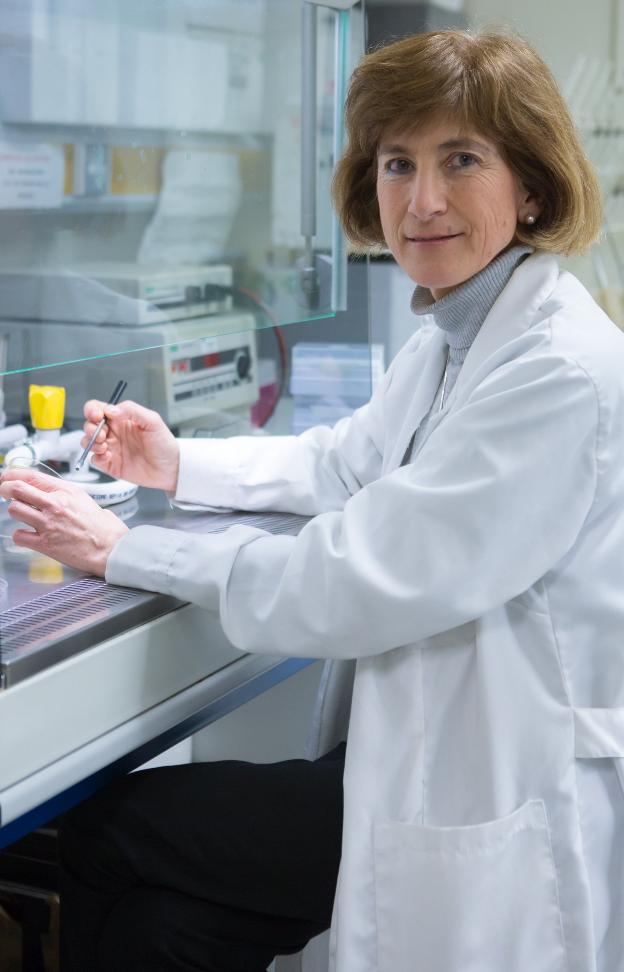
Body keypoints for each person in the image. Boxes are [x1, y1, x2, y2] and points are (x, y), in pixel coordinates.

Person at [2, 27, 623, 972]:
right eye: (397, 163)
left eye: (462, 160)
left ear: (531, 185)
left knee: (112, 831)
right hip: (412, 755)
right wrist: (176, 465)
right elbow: (347, 464)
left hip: (493, 785)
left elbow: (353, 581)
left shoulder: (559, 374)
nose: (422, 200)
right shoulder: (457, 333)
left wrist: (122, 549)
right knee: (163, 930)